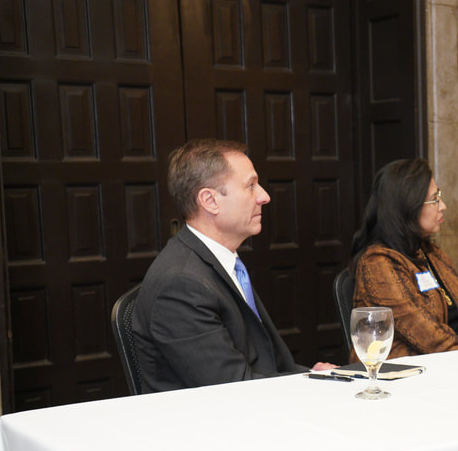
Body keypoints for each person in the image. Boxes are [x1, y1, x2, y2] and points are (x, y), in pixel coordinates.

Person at [132, 139, 335, 392]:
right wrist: (309, 387)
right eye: (250, 186)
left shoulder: (221, 262)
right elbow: (232, 389)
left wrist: (315, 377)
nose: (264, 196)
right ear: (210, 201)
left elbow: (267, 364)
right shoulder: (180, 283)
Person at [350, 159, 458, 358]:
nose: (443, 206)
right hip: (406, 374)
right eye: (434, 199)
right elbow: (427, 336)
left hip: (450, 363)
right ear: (407, 207)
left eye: (440, 196)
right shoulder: (377, 263)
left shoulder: (432, 253)